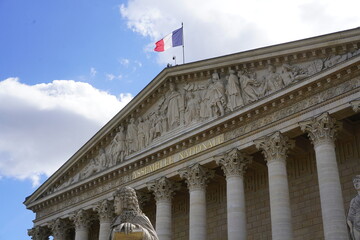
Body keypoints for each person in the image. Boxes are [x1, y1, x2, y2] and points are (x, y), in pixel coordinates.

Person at [348, 175, 360, 240]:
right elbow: (350, 217)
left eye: (358, 181)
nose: (356, 184)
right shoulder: (353, 200)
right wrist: (351, 229)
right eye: (354, 182)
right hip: (356, 227)